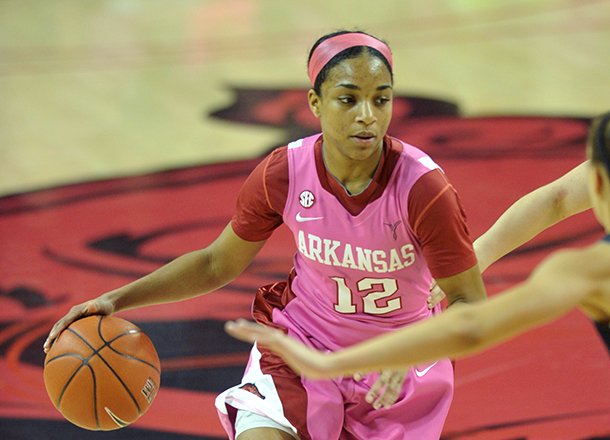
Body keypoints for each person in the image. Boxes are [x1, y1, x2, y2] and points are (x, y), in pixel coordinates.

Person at [44, 30, 487, 440]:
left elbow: (470, 304)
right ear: (315, 103)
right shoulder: (284, 172)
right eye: (348, 100)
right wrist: (116, 300)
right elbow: (217, 263)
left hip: (400, 369)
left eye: (381, 99)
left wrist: (415, 350)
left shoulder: (423, 189)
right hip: (301, 346)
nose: (367, 116)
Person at [224, 111, 610, 384]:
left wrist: (329, 364)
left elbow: (471, 326)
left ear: (597, 183)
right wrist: (478, 255)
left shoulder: (590, 270)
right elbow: (557, 198)